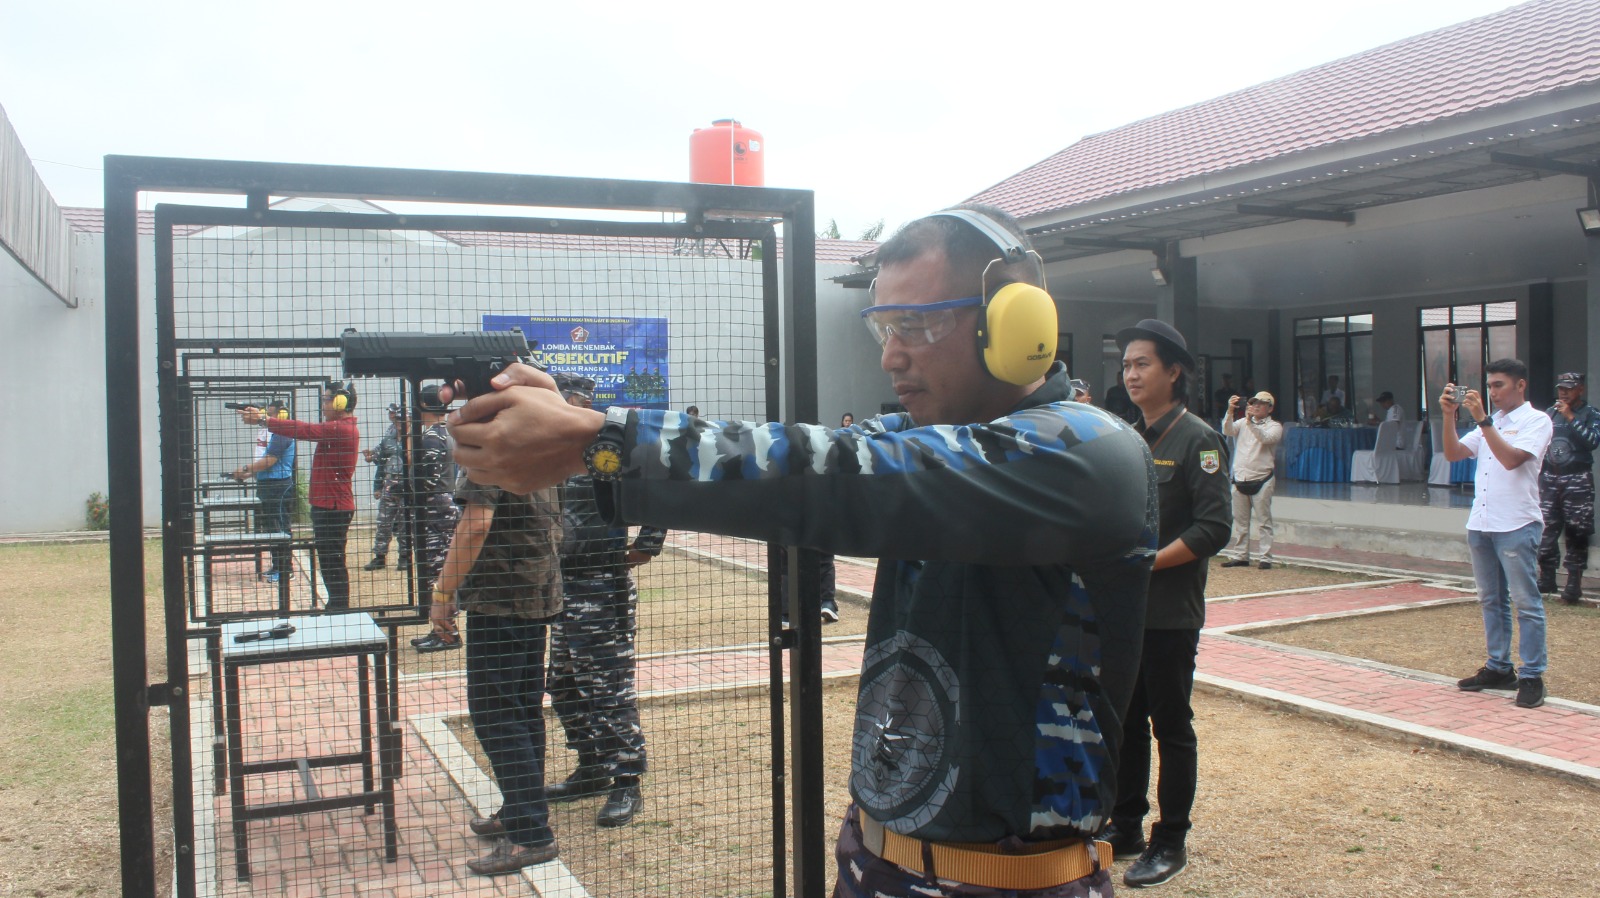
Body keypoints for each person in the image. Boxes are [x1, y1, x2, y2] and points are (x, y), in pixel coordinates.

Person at [444, 204, 1157, 898]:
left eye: (917, 322)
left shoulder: (1091, 452)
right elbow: (831, 459)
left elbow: (841, 473)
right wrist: (576, 419)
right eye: (883, 325)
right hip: (878, 859)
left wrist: (595, 441)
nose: (892, 353)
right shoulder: (919, 442)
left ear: (1017, 323)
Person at [1105, 319, 1231, 889]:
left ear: (1173, 371)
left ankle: (1170, 837)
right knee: (1125, 721)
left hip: (1170, 611)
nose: (1131, 374)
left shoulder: (1198, 439)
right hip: (1127, 611)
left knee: (1170, 725)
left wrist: (1149, 562)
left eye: (1142, 365)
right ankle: (1125, 824)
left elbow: (1214, 527)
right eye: (1126, 365)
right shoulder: (1131, 436)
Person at [429, 442, 567, 875]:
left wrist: (442, 593)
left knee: (495, 714)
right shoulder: (539, 442)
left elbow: (474, 526)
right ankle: (520, 811)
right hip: (533, 590)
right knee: (522, 712)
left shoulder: (490, 448)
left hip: (500, 598)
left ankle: (530, 834)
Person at [544, 375, 665, 828]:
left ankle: (626, 780)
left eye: (566, 399)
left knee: (606, 686)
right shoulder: (551, 448)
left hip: (600, 584)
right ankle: (592, 767)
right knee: (562, 684)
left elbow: (651, 490)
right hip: (562, 585)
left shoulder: (606, 443)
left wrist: (645, 546)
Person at [1440, 359, 1554, 709]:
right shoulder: (1495, 422)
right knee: (1491, 599)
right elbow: (1454, 452)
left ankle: (1532, 674)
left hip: (1517, 523)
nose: (1493, 393)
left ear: (1520, 386)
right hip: (1483, 522)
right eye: (1489, 386)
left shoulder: (1536, 420)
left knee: (1525, 602)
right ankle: (1498, 666)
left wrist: (1484, 420)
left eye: (1499, 385)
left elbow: (1511, 460)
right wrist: (1448, 416)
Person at [241, 382, 360, 610]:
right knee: (328, 559)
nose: (323, 405)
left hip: (333, 507)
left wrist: (263, 420)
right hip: (328, 505)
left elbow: (302, 429)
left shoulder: (341, 429)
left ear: (339, 403)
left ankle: (339, 608)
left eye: (326, 400)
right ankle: (336, 606)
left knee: (332, 560)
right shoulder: (338, 428)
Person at [409, 387, 465, 651]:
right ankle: (441, 630)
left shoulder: (432, 437)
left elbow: (427, 482)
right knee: (439, 570)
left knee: (437, 572)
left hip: (436, 510)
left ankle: (447, 634)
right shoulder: (444, 432)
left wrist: (401, 489)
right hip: (441, 507)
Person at [1538, 372, 1600, 605]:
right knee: (1546, 530)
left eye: (1569, 388)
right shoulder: (1550, 413)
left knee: (1576, 532)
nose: (1563, 393)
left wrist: (1571, 418)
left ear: (1580, 390)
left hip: (1577, 480)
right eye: (1561, 388)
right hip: (1550, 479)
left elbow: (1592, 441)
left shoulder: (1590, 414)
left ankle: (1573, 582)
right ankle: (1547, 577)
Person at [230, 400, 296, 583]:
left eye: (270, 414)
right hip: (267, 485)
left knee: (281, 528)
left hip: (279, 487)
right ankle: (278, 566)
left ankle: (285, 569)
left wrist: (244, 468)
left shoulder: (283, 434)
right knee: (271, 529)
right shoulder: (273, 434)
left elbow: (269, 461)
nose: (266, 418)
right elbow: (264, 464)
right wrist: (249, 473)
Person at [1220, 392, 1282, 570]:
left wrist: (1250, 423)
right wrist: (1230, 411)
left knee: (1264, 521)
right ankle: (1240, 555)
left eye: (1261, 404)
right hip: (1241, 477)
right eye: (1254, 403)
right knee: (1240, 521)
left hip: (1262, 478)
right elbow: (1227, 430)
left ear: (1270, 408)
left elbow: (1266, 438)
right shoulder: (1242, 423)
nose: (1256, 406)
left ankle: (1265, 557)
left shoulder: (1274, 426)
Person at [363, 404, 410, 571]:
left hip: (408, 486)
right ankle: (379, 556)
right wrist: (378, 486)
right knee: (383, 522)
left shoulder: (415, 438)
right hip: (389, 485)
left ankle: (405, 557)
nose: (399, 423)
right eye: (397, 420)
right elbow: (381, 464)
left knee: (405, 523)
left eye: (402, 420)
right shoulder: (388, 439)